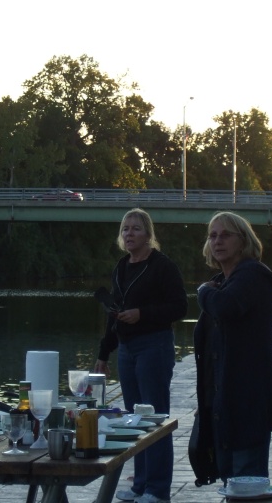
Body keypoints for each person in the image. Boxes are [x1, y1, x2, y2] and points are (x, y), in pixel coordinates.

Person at [94, 208, 187, 503]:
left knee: (154, 418)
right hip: (126, 349)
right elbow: (113, 313)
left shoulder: (163, 266)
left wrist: (142, 314)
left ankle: (157, 490)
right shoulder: (121, 267)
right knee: (134, 419)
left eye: (136, 228)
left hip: (154, 346)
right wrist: (103, 353)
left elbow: (180, 307)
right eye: (125, 229)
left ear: (148, 234)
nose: (129, 233)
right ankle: (140, 485)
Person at [193, 211, 272, 492]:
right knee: (231, 484)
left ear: (243, 241)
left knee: (246, 486)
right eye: (212, 235)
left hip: (247, 405)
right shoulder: (224, 281)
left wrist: (203, 292)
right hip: (226, 405)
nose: (217, 241)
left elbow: (225, 307)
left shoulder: (251, 275)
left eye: (225, 235)